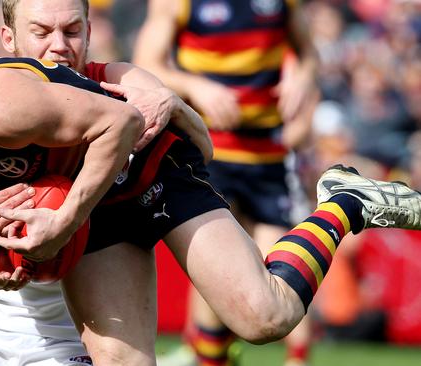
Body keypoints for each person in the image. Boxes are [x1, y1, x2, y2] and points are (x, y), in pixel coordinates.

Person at [0, 27, 421, 366]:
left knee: (266, 317)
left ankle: (343, 202)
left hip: (150, 167)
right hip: (96, 208)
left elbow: (119, 123)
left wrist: (62, 221)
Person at [0, 0, 214, 364]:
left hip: (81, 336)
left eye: (72, 31)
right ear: (8, 39)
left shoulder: (121, 84)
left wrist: (174, 105)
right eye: (42, 32)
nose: (59, 45)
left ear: (89, 32)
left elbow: (203, 155)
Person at [133, 0, 320, 364]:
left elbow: (309, 54)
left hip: (270, 157)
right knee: (221, 272)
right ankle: (211, 355)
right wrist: (195, 86)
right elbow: (146, 65)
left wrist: (303, 76)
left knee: (279, 267)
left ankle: (296, 358)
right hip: (207, 155)